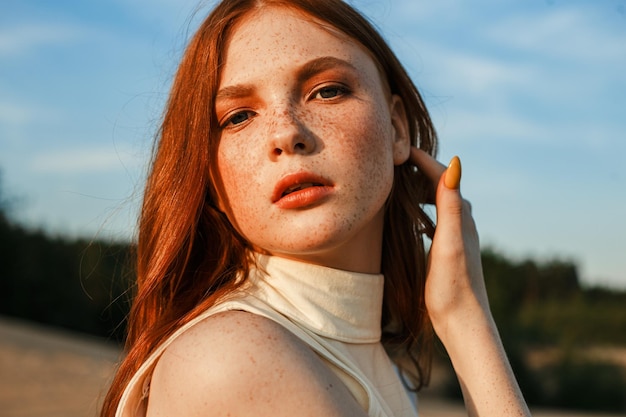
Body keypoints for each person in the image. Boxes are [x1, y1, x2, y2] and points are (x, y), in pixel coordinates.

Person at [101, 0, 532, 416]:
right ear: (209, 174)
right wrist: (469, 325)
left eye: (326, 91)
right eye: (238, 117)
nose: (286, 133)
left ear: (398, 128)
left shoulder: (377, 360)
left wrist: (461, 313)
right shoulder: (233, 357)